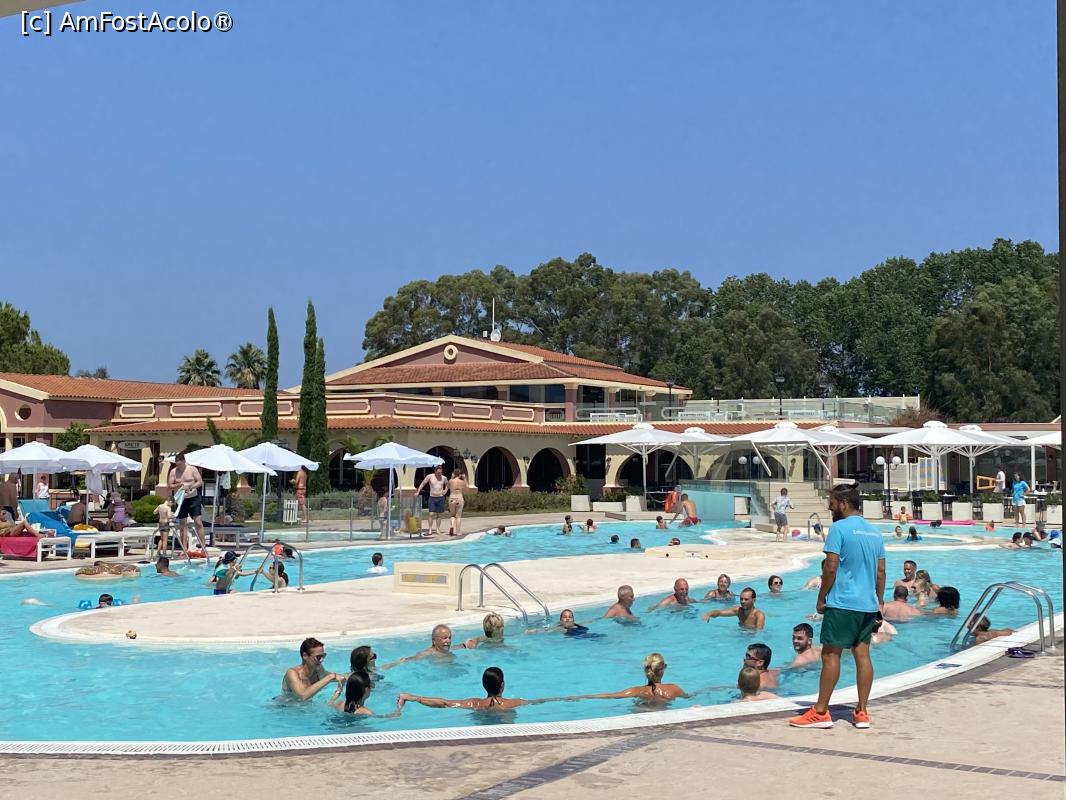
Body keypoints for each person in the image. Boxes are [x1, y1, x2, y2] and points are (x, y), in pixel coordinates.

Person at [789, 484, 885, 730]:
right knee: (862, 655)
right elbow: (881, 572)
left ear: (843, 503)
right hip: (868, 605)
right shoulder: (875, 532)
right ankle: (862, 712)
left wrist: (821, 598)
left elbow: (830, 567)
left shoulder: (839, 529)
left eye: (832, 503)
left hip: (843, 603)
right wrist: (879, 602)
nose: (830, 508)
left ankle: (821, 712)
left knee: (831, 655)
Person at [397, 666, 527, 712]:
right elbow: (536, 702)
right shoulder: (515, 703)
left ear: (483, 685)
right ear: (502, 685)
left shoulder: (475, 703)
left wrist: (415, 698)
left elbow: (444, 703)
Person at [578, 653, 687, 703]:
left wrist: (583, 696)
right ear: (664, 668)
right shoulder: (674, 689)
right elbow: (688, 698)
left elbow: (610, 695)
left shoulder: (636, 691)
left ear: (645, 669)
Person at [168, 452, 206, 552]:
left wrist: (190, 486)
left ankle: (203, 547)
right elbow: (170, 485)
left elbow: (200, 482)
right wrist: (180, 484)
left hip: (193, 498)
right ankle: (184, 548)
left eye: (180, 465)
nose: (179, 467)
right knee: (182, 524)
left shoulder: (192, 469)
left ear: (184, 462)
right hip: (181, 500)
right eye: (177, 465)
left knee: (198, 522)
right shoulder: (174, 472)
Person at [382, 624, 455, 668]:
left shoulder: (447, 650)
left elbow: (457, 647)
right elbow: (409, 659)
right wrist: (392, 664)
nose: (448, 641)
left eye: (450, 638)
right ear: (434, 640)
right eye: (444, 638)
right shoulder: (427, 653)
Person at [416, 465, 448, 537]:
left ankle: (438, 529)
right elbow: (423, 483)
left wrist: (445, 490)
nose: (439, 474)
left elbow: (447, 485)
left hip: (440, 497)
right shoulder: (430, 476)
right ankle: (430, 529)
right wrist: (418, 491)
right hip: (432, 497)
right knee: (431, 514)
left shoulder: (444, 478)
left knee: (439, 514)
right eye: (438, 472)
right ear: (435, 471)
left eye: (440, 472)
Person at [447, 470, 467, 536]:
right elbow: (467, 488)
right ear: (460, 474)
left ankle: (452, 526)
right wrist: (464, 479)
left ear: (454, 474)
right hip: (459, 498)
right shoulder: (462, 482)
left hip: (452, 498)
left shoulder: (450, 481)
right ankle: (458, 532)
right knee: (458, 517)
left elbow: (448, 487)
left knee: (452, 515)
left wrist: (451, 477)